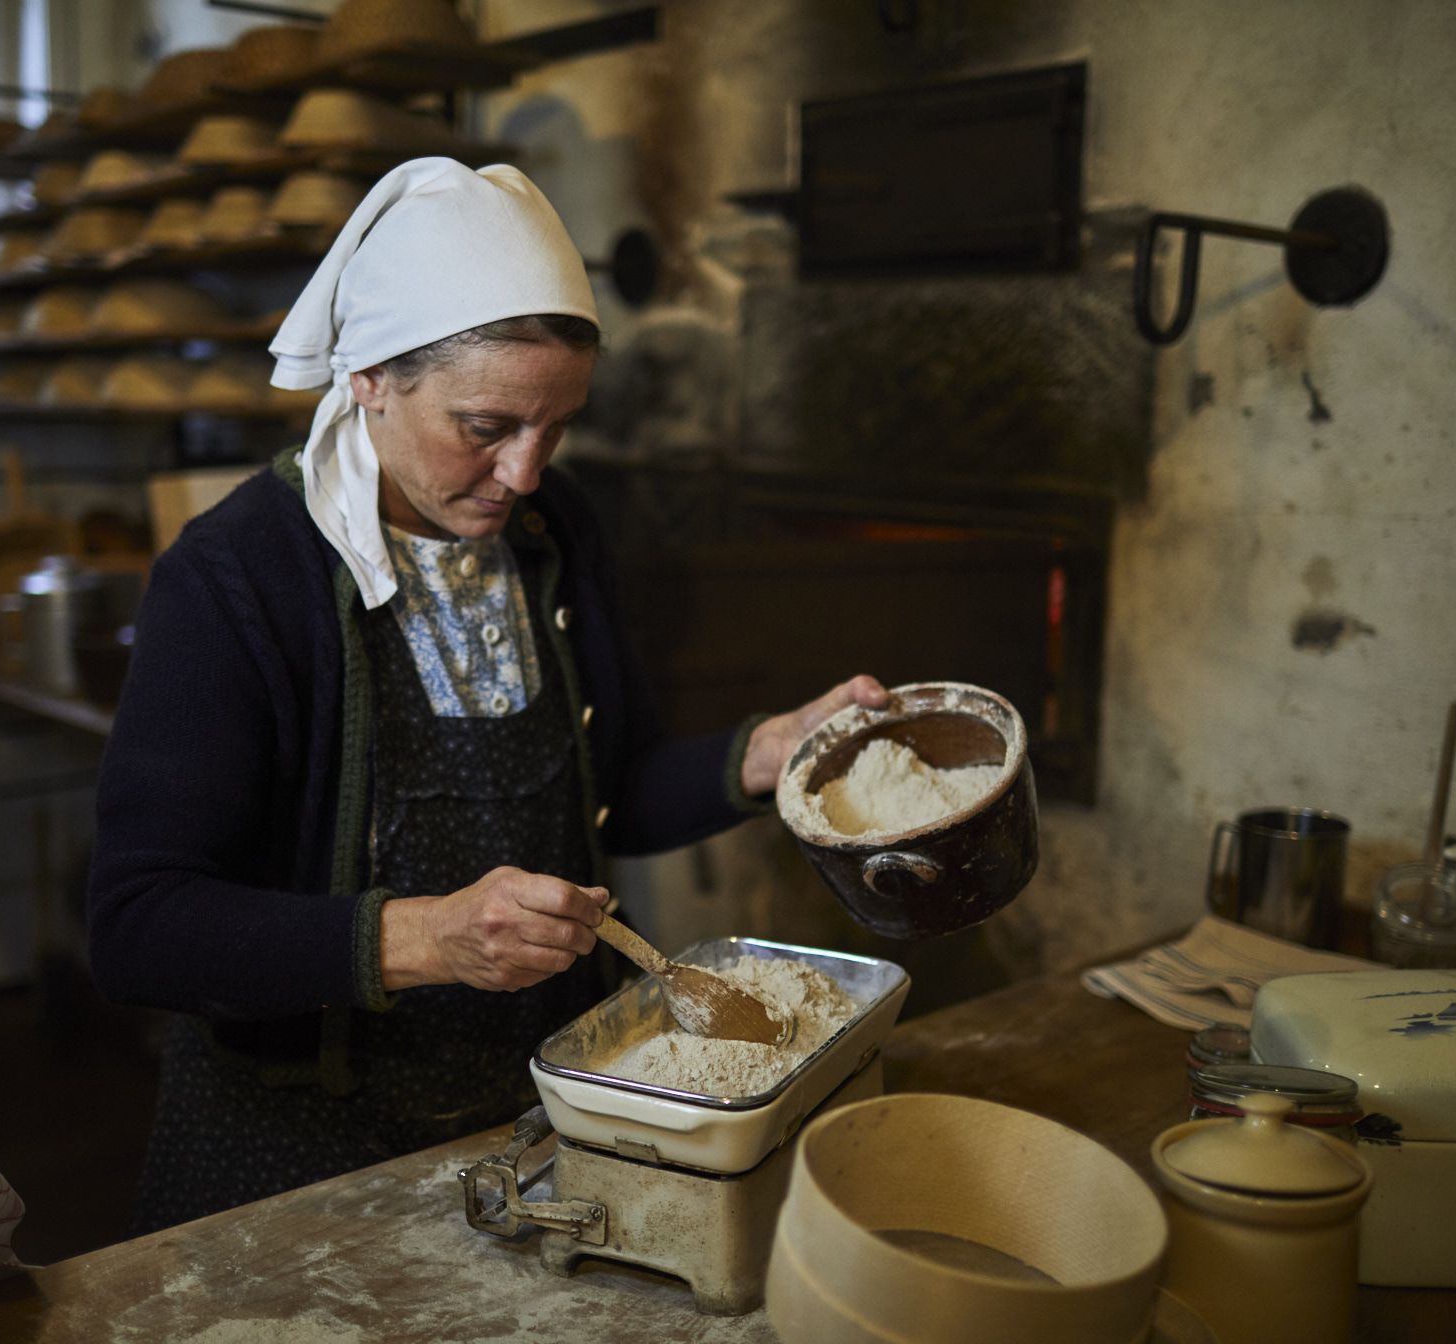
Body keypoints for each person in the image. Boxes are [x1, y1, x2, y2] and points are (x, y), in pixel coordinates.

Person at [87, 158, 888, 1233]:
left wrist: (763, 756)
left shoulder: (556, 535)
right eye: (486, 427)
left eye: (555, 428)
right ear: (369, 375)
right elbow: (140, 927)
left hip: (538, 1108)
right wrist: (424, 940)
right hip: (300, 1150)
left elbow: (610, 794)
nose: (524, 473)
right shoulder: (234, 580)